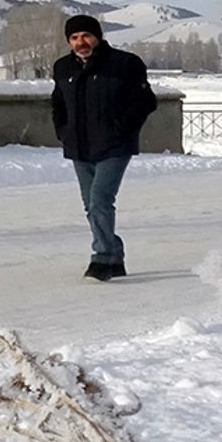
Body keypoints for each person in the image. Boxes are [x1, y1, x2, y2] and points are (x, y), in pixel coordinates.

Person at [51, 15, 156, 282]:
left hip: (115, 145)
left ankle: (102, 257)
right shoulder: (63, 67)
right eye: (74, 37)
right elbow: (58, 103)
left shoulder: (125, 64)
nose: (81, 42)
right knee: (90, 204)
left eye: (86, 35)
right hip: (79, 146)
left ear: (97, 36)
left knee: (100, 200)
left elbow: (145, 101)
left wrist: (120, 128)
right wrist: (63, 131)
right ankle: (115, 256)